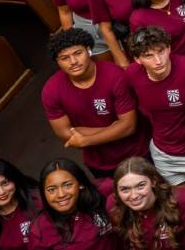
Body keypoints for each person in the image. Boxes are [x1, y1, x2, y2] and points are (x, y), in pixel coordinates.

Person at [42, 27, 147, 180]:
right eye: (64, 58)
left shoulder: (115, 76)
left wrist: (86, 140)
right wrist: (114, 128)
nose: (73, 62)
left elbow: (129, 127)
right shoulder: (51, 90)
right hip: (99, 163)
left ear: (89, 50)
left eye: (78, 53)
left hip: (136, 152)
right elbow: (65, 134)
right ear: (57, 61)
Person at [125, 25, 185, 186]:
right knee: (180, 203)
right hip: (164, 154)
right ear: (137, 59)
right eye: (148, 56)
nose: (158, 61)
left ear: (169, 48)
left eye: (161, 51)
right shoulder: (131, 75)